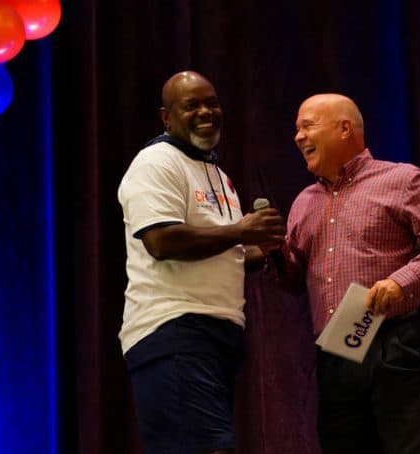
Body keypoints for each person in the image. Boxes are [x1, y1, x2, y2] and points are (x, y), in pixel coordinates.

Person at [271, 93, 420, 453]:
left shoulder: (402, 180)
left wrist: (400, 282)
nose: (298, 137)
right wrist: (272, 252)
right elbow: (294, 281)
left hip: (396, 339)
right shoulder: (303, 202)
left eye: (307, 126)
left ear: (344, 128)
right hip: (338, 349)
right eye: (296, 129)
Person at [117, 71, 285, 454]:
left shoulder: (218, 175)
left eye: (212, 103)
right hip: (174, 330)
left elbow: (221, 253)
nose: (206, 112)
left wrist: (270, 252)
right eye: (191, 105)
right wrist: (241, 232)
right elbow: (161, 241)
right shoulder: (156, 163)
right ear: (166, 117)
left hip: (214, 336)